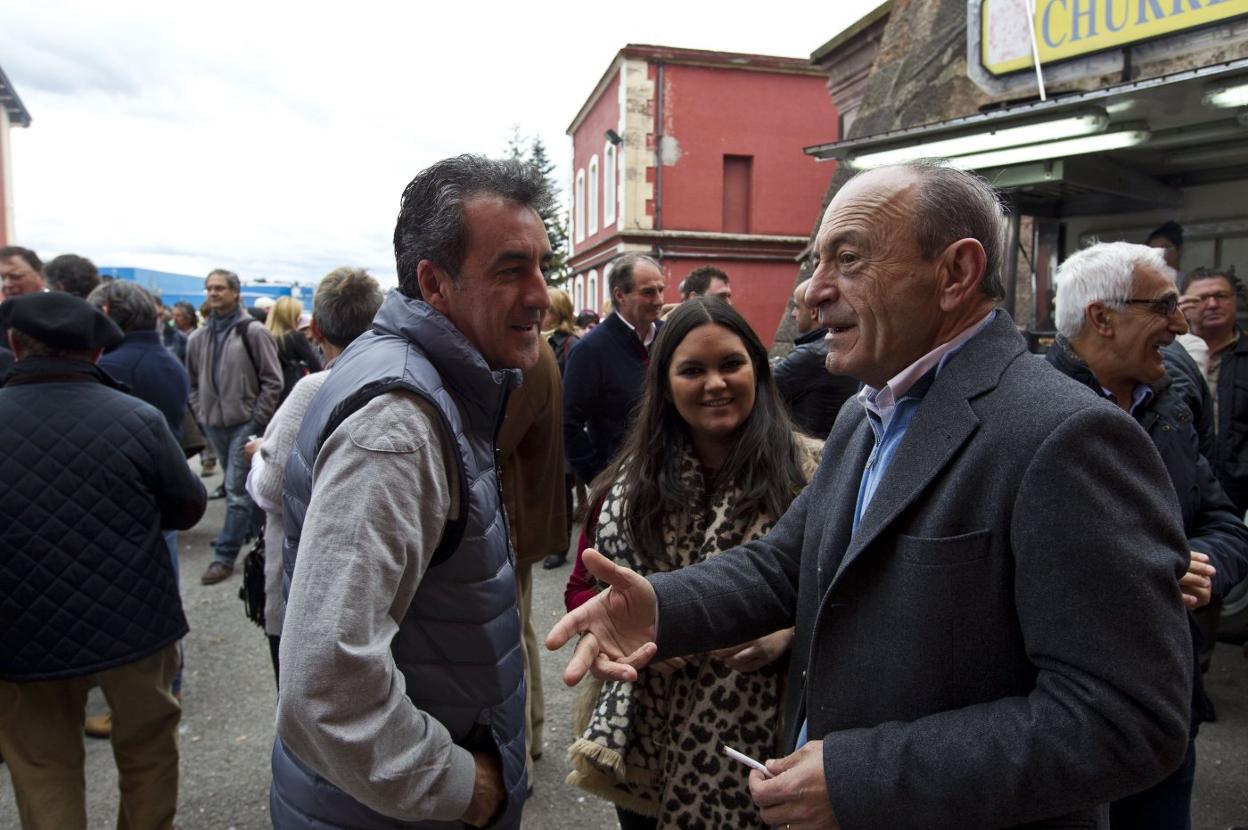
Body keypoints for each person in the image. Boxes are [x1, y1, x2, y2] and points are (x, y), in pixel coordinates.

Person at [548, 161, 1194, 829]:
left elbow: (1126, 719)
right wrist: (659, 605)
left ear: (955, 274)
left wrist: (863, 777)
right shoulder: (866, 414)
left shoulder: (1066, 437)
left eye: (847, 259)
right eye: (816, 262)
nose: (811, 293)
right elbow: (786, 563)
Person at [270, 155, 552, 829]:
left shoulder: (429, 382)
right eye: (512, 269)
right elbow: (325, 687)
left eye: (544, 266)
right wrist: (461, 786)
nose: (541, 293)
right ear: (434, 282)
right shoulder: (398, 425)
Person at [565, 298, 821, 829]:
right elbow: (581, 590)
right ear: (664, 383)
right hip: (643, 747)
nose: (715, 384)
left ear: (758, 368)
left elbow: (847, 593)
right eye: (692, 370)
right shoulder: (623, 488)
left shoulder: (812, 473)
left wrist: (786, 633)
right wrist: (629, 631)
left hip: (762, 747)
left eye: (731, 364)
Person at [1047, 241, 1248, 828]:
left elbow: (1221, 519)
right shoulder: (1025, 410)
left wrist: (1203, 567)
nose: (1181, 324)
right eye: (1163, 307)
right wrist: (1142, 570)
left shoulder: (1173, 405)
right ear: (1102, 317)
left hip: (1165, 703)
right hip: (1065, 717)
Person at [0, 291, 206, 830]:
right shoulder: (136, 417)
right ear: (95, 355)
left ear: (14, 344)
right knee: (148, 747)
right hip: (133, 617)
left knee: (43, 764)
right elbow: (187, 508)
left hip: (19, 626)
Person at [244, 267, 383, 684]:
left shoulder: (313, 388)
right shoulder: (399, 379)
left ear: (317, 328)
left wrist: (256, 457)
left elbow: (272, 491)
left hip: (307, 579)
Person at [89, 279, 194, 723]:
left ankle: (151, 692)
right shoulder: (168, 360)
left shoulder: (112, 368)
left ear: (110, 311)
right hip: (162, 490)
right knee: (165, 588)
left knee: (134, 602)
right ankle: (171, 680)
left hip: (124, 502)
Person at [497, 338, 567, 782]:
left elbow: (494, 441)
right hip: (516, 512)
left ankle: (523, 745)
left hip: (511, 512)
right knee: (518, 629)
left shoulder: (520, 350)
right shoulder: (531, 347)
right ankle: (532, 734)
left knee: (512, 634)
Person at [185, 268, 282, 585]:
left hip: (244, 422)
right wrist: (201, 412)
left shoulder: (252, 332)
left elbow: (272, 380)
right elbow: (192, 382)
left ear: (235, 292)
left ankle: (224, 555)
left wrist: (256, 417)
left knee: (236, 490)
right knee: (240, 489)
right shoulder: (198, 338)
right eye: (209, 288)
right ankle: (258, 535)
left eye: (220, 288)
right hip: (214, 423)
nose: (213, 293)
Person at [563, 253, 665, 487]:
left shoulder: (668, 336)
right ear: (620, 295)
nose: (659, 300)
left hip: (667, 476)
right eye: (648, 292)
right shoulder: (590, 349)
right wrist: (598, 479)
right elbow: (569, 423)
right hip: (619, 482)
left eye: (661, 290)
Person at [1183, 267, 1248, 514]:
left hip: (1238, 492)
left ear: (1235, 300)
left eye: (1221, 296)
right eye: (1200, 298)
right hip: (1183, 485)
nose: (1211, 304)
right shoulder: (1163, 354)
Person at [773, 277, 859, 439]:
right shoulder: (841, 347)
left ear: (813, 312)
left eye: (797, 307)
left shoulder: (809, 356)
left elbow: (760, 392)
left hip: (809, 451)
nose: (793, 314)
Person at [541, 287, 580, 569]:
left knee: (561, 488)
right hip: (541, 428)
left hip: (562, 427)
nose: (541, 316)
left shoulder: (571, 345)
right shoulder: (535, 340)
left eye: (548, 311)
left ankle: (560, 545)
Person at [265, 295, 324, 404]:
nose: (300, 318)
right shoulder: (295, 337)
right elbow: (316, 367)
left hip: (268, 396)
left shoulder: (265, 337)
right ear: (290, 317)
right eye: (297, 315)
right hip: (291, 394)